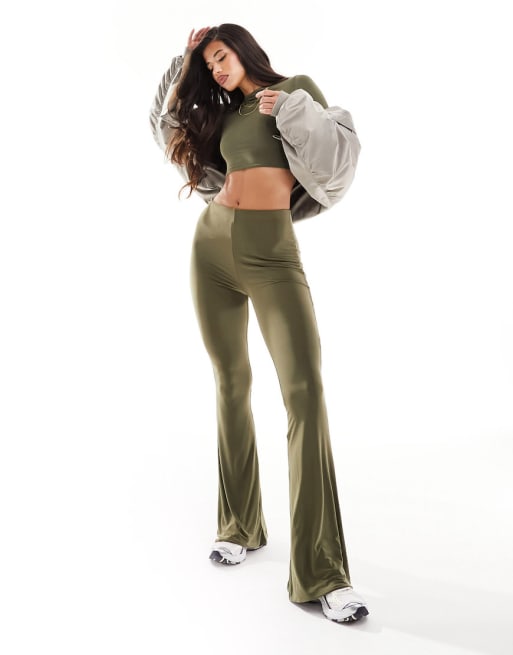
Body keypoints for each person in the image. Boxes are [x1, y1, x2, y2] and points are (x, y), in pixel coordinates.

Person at [149, 23, 369, 623]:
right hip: (212, 246)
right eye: (210, 64)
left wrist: (289, 110)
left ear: (244, 51)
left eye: (221, 56)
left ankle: (323, 573)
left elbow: (335, 161)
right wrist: (185, 61)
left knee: (305, 393)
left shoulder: (296, 90)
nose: (217, 69)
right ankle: (239, 524)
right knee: (231, 382)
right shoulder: (223, 114)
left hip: (272, 254)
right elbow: (169, 129)